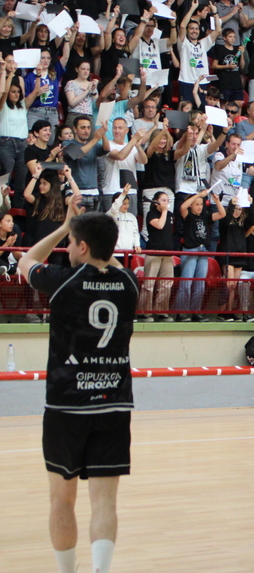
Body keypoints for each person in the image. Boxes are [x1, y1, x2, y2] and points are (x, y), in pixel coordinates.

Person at [19, 195, 139, 573]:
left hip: (66, 406)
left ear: (82, 246)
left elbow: (26, 261)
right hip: (114, 405)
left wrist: (63, 226)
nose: (68, 249)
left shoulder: (62, 281)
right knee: (104, 502)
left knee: (61, 500)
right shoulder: (130, 282)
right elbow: (109, 259)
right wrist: (95, 233)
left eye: (71, 243)